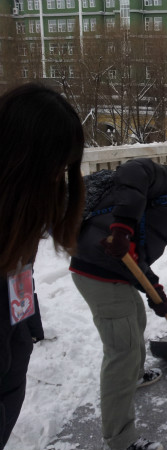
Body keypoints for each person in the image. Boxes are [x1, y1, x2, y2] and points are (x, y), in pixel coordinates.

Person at [69, 148, 167, 450]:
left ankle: (135, 376)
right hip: (100, 270)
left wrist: (155, 290)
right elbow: (135, 169)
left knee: (136, 315)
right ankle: (121, 439)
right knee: (120, 352)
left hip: (113, 268)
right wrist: (122, 227)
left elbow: (137, 252)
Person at [0, 83, 85, 450]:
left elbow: (18, 277)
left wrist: (22, 330)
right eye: (55, 168)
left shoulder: (17, 218)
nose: (58, 181)